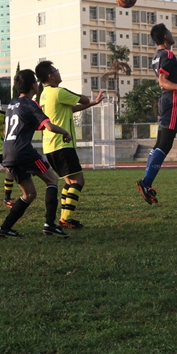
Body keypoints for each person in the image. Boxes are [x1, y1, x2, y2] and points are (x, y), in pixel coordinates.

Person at [0, 69, 72, 238]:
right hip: (23, 151)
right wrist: (65, 132)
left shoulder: (11, 105)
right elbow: (49, 127)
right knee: (52, 180)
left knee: (29, 194)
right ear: (33, 85)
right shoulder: (30, 104)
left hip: (7, 152)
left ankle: (5, 228)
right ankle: (50, 224)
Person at [35, 60, 104, 229]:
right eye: (56, 70)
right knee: (78, 181)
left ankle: (65, 218)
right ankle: (66, 218)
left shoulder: (43, 95)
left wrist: (92, 104)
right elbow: (84, 99)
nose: (58, 72)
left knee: (69, 181)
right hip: (62, 144)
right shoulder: (59, 92)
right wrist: (88, 100)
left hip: (50, 146)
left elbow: (68, 109)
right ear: (50, 76)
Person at [136, 23, 177, 205]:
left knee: (160, 143)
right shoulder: (168, 54)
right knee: (165, 144)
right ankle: (146, 182)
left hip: (168, 101)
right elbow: (163, 81)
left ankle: (146, 182)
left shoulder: (156, 57)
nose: (171, 33)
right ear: (165, 37)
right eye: (169, 31)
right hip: (172, 99)